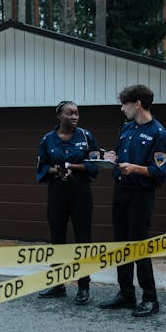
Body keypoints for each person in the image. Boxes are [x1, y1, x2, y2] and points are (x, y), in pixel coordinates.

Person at [99, 84, 166, 318]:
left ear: (137, 104)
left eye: (124, 104)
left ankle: (150, 299)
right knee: (121, 244)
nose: (122, 109)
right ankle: (126, 294)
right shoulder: (127, 128)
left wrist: (136, 168)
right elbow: (121, 157)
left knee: (139, 246)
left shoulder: (158, 133)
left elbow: (160, 172)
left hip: (141, 195)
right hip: (120, 191)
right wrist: (112, 157)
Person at [36, 100, 100, 305]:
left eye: (77, 114)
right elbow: (42, 167)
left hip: (80, 191)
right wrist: (59, 171)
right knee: (57, 237)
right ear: (59, 116)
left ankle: (83, 287)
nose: (74, 117)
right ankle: (57, 285)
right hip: (57, 191)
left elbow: (93, 165)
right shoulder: (47, 139)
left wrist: (72, 167)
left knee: (83, 238)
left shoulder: (86, 137)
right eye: (70, 113)